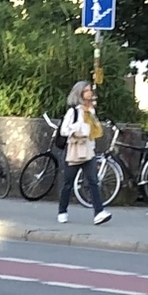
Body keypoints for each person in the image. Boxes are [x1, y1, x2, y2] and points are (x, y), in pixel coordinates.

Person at [56, 81, 109, 225]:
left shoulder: (91, 111)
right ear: (80, 93)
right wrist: (78, 127)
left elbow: (93, 130)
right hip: (74, 150)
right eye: (86, 91)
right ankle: (62, 211)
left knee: (93, 181)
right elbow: (63, 130)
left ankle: (99, 212)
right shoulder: (73, 111)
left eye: (90, 90)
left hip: (88, 149)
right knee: (68, 182)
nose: (89, 93)